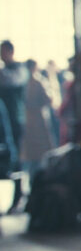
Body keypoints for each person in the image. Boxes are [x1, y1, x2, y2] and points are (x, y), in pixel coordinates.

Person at [20, 59, 56, 182]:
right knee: (41, 156)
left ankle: (32, 181)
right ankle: (39, 182)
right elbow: (49, 99)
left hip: (28, 120)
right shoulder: (38, 81)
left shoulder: (24, 82)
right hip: (38, 120)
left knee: (32, 156)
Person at [0, 40, 28, 169]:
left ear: (11, 51)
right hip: (3, 118)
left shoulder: (19, 69)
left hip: (15, 115)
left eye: (4, 51)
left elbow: (12, 81)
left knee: (15, 149)